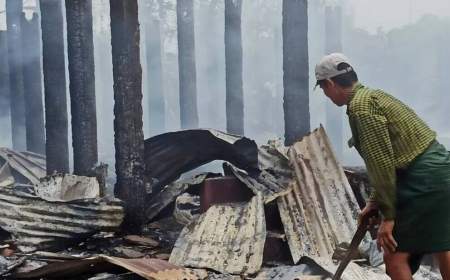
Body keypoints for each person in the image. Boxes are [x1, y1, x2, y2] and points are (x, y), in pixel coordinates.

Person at [315, 53, 450, 280]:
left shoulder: (361, 109)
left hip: (422, 179)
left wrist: (388, 216)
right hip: (442, 172)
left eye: (323, 89)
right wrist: (374, 201)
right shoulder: (374, 96)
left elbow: (382, 164)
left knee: (393, 256)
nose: (326, 95)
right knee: (441, 244)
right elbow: (391, 159)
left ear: (329, 83)